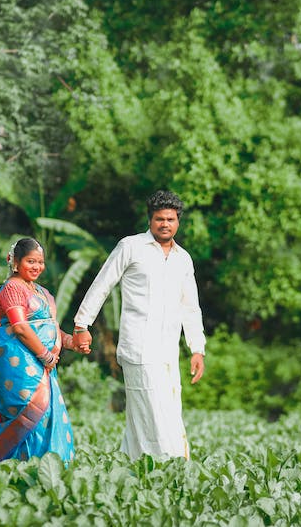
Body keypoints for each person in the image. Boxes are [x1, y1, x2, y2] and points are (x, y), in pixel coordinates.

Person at [73, 190, 206, 460]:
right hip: (139, 349)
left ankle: (130, 469)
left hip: (168, 352)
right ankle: (172, 468)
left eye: (170, 219)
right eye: (159, 219)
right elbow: (102, 285)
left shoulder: (183, 258)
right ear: (150, 220)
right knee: (156, 415)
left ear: (178, 221)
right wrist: (81, 325)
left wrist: (197, 348)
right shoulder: (130, 247)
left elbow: (190, 307)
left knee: (152, 416)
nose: (165, 224)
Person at [0, 237, 90, 463]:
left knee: (49, 417)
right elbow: (21, 327)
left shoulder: (42, 292)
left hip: (43, 366)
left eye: (40, 262)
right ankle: (14, 469)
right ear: (15, 262)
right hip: (22, 368)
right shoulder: (12, 288)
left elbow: (51, 328)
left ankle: (49, 468)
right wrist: (45, 355)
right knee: (29, 415)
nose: (37, 267)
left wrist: (73, 343)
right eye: (31, 261)